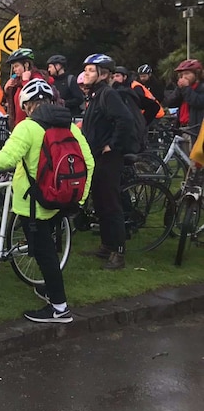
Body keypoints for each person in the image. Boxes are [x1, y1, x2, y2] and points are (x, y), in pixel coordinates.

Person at [0, 79, 93, 323]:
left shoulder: (28, 127)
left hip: (34, 203)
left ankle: (59, 308)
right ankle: (51, 291)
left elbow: (5, 159)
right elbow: (89, 163)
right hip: (62, 198)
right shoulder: (71, 126)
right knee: (48, 251)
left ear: (26, 105)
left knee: (45, 255)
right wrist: (80, 197)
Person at [80, 53, 134, 270]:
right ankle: (106, 245)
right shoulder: (95, 94)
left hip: (108, 158)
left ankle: (118, 252)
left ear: (103, 74)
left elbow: (125, 120)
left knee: (111, 204)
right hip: (96, 156)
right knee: (101, 202)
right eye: (86, 70)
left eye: (90, 70)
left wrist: (113, 145)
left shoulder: (107, 94)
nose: (86, 73)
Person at [3, 48, 47, 129]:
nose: (14, 70)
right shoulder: (17, 81)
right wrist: (6, 90)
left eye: (16, 66)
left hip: (32, 126)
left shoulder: (37, 77)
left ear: (26, 65)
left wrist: (26, 81)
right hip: (18, 126)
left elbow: (35, 98)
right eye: (13, 67)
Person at [164, 59, 204, 128]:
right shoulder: (183, 88)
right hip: (182, 127)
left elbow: (198, 102)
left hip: (196, 128)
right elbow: (170, 103)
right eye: (182, 75)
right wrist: (180, 89)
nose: (184, 77)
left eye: (187, 73)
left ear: (197, 74)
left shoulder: (201, 87)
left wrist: (186, 88)